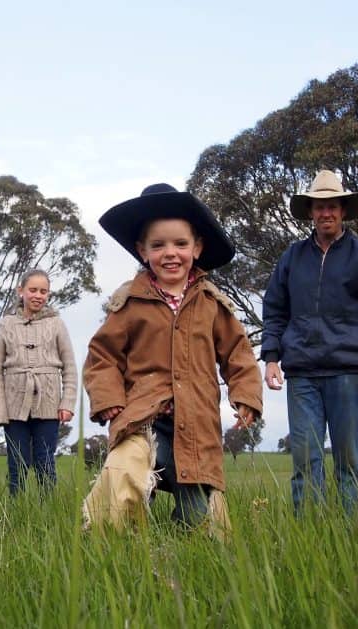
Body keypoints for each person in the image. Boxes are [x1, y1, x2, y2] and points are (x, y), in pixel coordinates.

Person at [82, 183, 263, 537]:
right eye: (158, 245)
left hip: (197, 425)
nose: (170, 253)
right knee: (124, 477)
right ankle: (111, 543)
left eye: (180, 244)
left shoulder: (212, 302)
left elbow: (238, 353)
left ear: (197, 248)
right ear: (142, 250)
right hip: (143, 421)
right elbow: (102, 355)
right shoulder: (130, 303)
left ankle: (191, 545)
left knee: (205, 526)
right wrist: (109, 400)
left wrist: (246, 395)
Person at [261, 170, 358, 515]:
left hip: (349, 374)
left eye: (333, 206)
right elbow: (275, 310)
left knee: (349, 461)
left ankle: (349, 537)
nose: (326, 213)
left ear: (343, 210)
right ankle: (309, 538)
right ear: (311, 211)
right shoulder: (291, 259)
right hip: (303, 374)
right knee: (306, 460)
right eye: (319, 206)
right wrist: (272, 357)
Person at [0, 269, 78, 495]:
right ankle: (16, 509)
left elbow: (70, 367)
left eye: (44, 291)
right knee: (17, 461)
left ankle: (47, 512)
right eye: (33, 290)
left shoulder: (56, 324)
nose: (38, 295)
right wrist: (0, 412)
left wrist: (67, 403)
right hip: (14, 405)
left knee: (45, 460)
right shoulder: (5, 324)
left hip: (48, 404)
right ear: (21, 291)